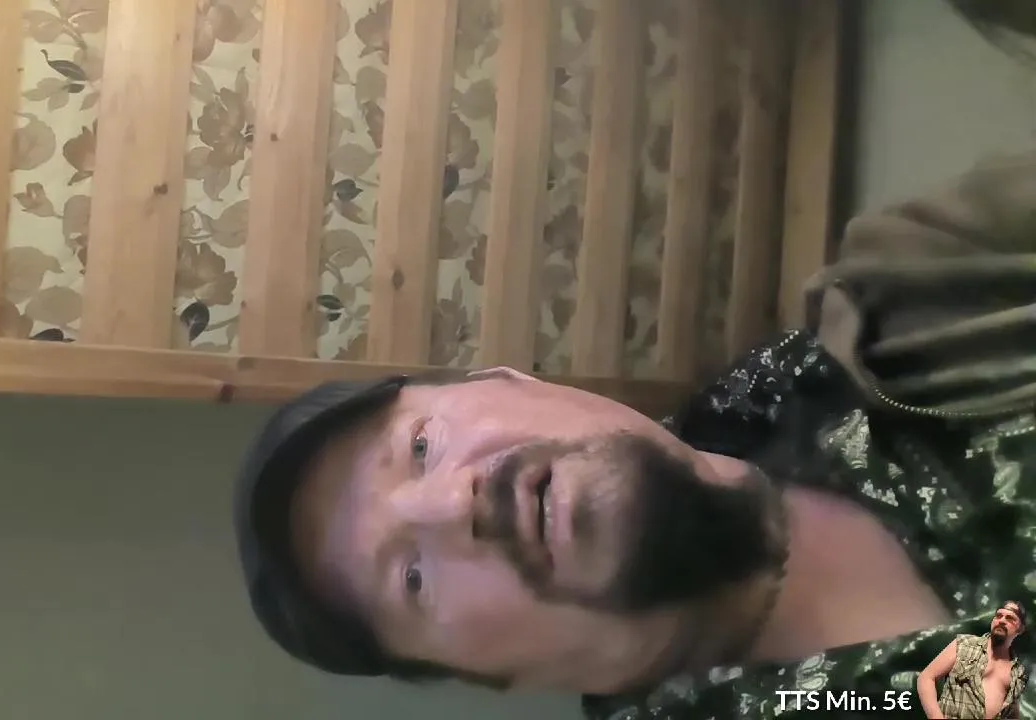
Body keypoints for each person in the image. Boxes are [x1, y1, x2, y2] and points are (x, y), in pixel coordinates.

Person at [232, 149, 1036, 719]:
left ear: (513, 381)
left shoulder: (907, 295)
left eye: (420, 447)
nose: (453, 504)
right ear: (494, 677)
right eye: (412, 577)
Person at [917, 600, 1029, 719]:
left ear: (1020, 629)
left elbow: (1012, 711)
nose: (1001, 620)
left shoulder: (1018, 673)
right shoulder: (965, 644)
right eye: (998, 616)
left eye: (1010, 618)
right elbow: (926, 677)